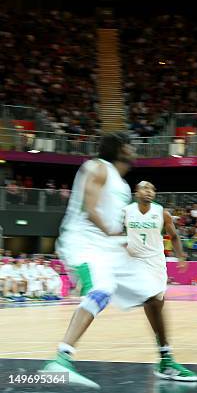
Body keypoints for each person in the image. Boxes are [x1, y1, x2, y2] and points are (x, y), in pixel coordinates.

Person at [41, 133, 137, 388]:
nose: (134, 149)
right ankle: (60, 360)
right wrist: (114, 235)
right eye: (129, 145)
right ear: (119, 149)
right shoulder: (97, 167)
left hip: (103, 246)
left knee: (147, 292)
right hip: (82, 243)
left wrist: (124, 242)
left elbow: (111, 221)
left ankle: (165, 355)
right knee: (101, 290)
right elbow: (90, 209)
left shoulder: (122, 184)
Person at [123, 181, 197, 381]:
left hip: (156, 264)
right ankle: (166, 355)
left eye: (152, 189)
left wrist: (181, 256)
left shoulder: (161, 213)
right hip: (135, 264)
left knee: (155, 305)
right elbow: (113, 233)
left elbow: (173, 236)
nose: (149, 191)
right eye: (145, 188)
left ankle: (164, 356)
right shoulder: (126, 212)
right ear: (136, 192)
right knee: (152, 302)